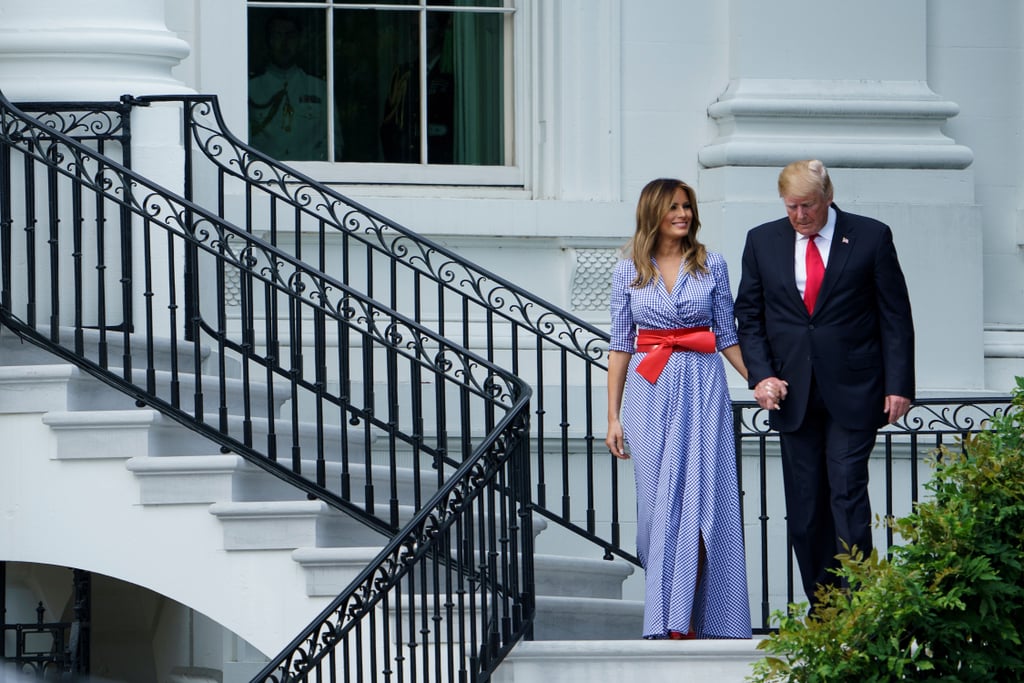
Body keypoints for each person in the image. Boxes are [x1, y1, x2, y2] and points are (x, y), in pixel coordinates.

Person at [734, 159, 915, 610]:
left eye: (808, 206)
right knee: (805, 508)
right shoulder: (762, 241)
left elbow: (895, 316)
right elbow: (749, 318)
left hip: (856, 390)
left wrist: (900, 385)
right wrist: (761, 376)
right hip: (793, 395)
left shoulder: (871, 236)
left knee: (847, 491)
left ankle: (859, 603)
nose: (799, 215)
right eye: (791, 206)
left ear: (828, 197)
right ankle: (825, 607)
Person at [606, 178, 752, 640]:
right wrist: (612, 416)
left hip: (703, 390)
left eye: (687, 206)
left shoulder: (713, 265)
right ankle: (666, 616)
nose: (683, 214)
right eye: (673, 207)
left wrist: (761, 381)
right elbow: (619, 345)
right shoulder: (626, 270)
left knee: (707, 504)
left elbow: (726, 335)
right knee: (657, 510)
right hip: (649, 394)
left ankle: (701, 622)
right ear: (653, 211)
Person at [248, 12, 329, 161]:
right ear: (268, 40)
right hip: (262, 175)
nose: (284, 43)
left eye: (290, 36)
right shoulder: (250, 88)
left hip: (310, 176)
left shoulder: (320, 88)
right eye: (277, 36)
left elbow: (333, 142)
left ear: (300, 40)